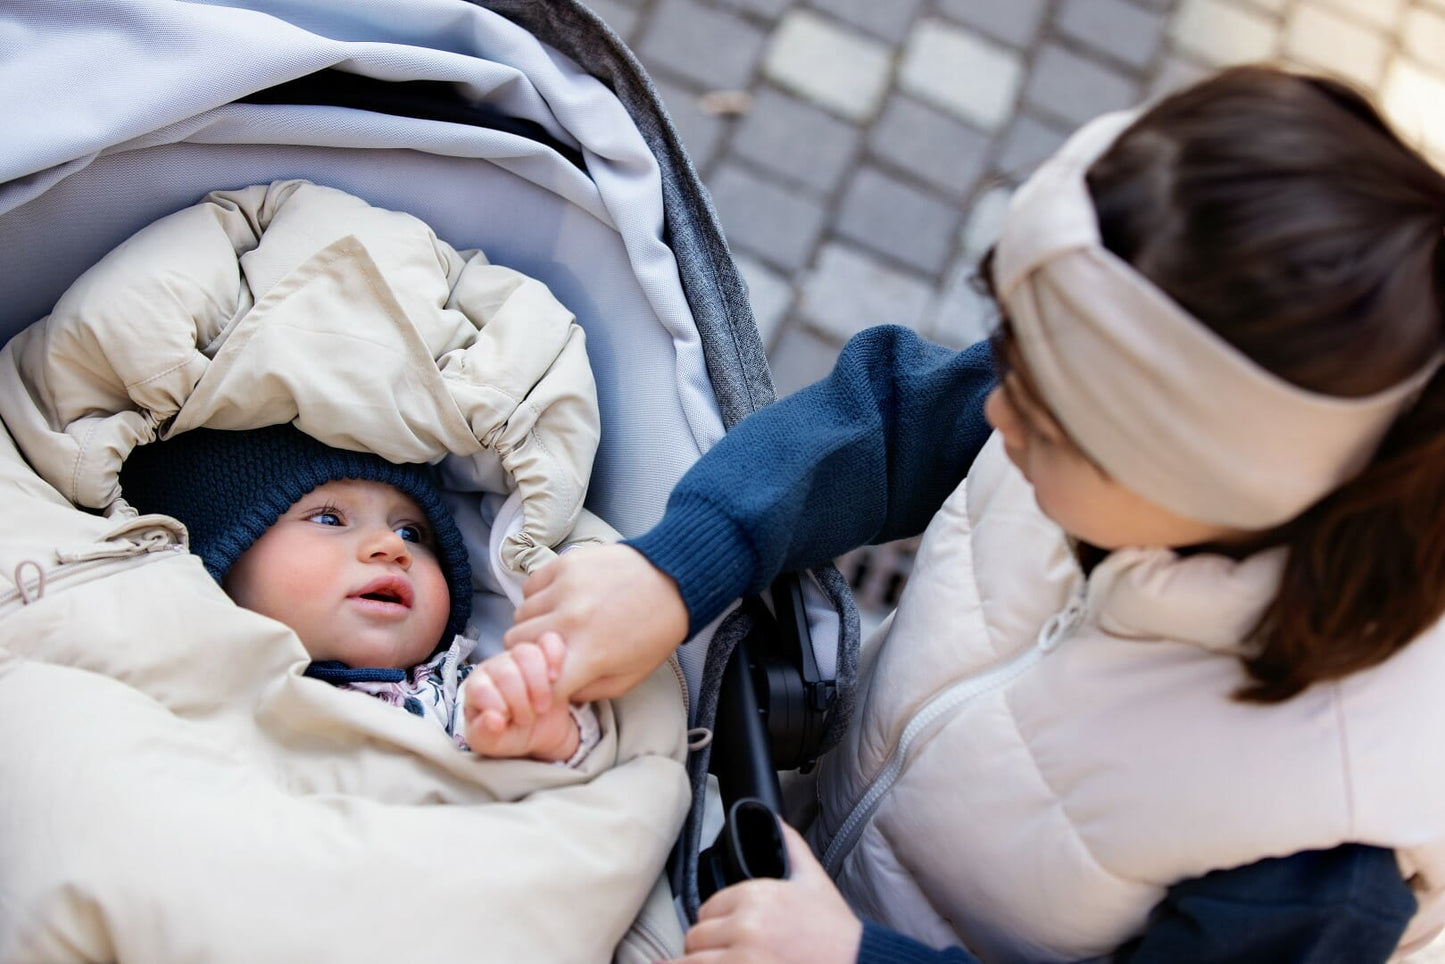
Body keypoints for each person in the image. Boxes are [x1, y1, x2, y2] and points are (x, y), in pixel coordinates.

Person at [503, 65, 1445, 962]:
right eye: (1011, 351)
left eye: (1042, 418)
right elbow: (888, 418)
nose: (999, 412)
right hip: (819, 854)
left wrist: (857, 960)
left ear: (1201, 483)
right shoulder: (1095, 413)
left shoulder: (1324, 837)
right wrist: (676, 567)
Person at [121, 423, 597, 765]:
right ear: (224, 556)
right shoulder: (182, 684)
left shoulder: (465, 697)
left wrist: (545, 735)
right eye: (330, 519)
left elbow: (547, 799)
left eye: (412, 532)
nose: (392, 548)